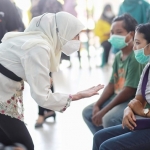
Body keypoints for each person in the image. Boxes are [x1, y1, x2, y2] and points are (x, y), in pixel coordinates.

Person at [0, 12, 104, 150]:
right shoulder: (39, 47)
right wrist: (77, 95)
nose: (77, 40)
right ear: (61, 32)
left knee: (10, 142)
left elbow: (13, 65)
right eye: (75, 35)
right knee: (24, 145)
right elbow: (43, 98)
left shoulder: (30, 39)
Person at [82, 14, 145, 135]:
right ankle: (102, 142)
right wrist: (98, 104)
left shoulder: (135, 57)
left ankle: (115, 144)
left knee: (108, 118)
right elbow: (112, 84)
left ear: (131, 34)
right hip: (117, 98)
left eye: (119, 32)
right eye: (112, 32)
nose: (114, 36)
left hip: (130, 101)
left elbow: (129, 90)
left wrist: (104, 110)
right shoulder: (117, 57)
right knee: (88, 113)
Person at [92, 23, 150, 150]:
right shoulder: (147, 68)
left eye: (138, 43)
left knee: (108, 146)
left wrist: (142, 111)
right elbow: (137, 101)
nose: (134, 48)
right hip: (147, 123)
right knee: (99, 137)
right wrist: (128, 109)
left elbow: (139, 106)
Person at [30, 0, 63, 128]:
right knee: (44, 76)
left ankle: (42, 113)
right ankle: (49, 110)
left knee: (43, 77)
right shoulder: (36, 4)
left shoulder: (53, 4)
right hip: (37, 43)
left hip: (49, 44)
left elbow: (60, 25)